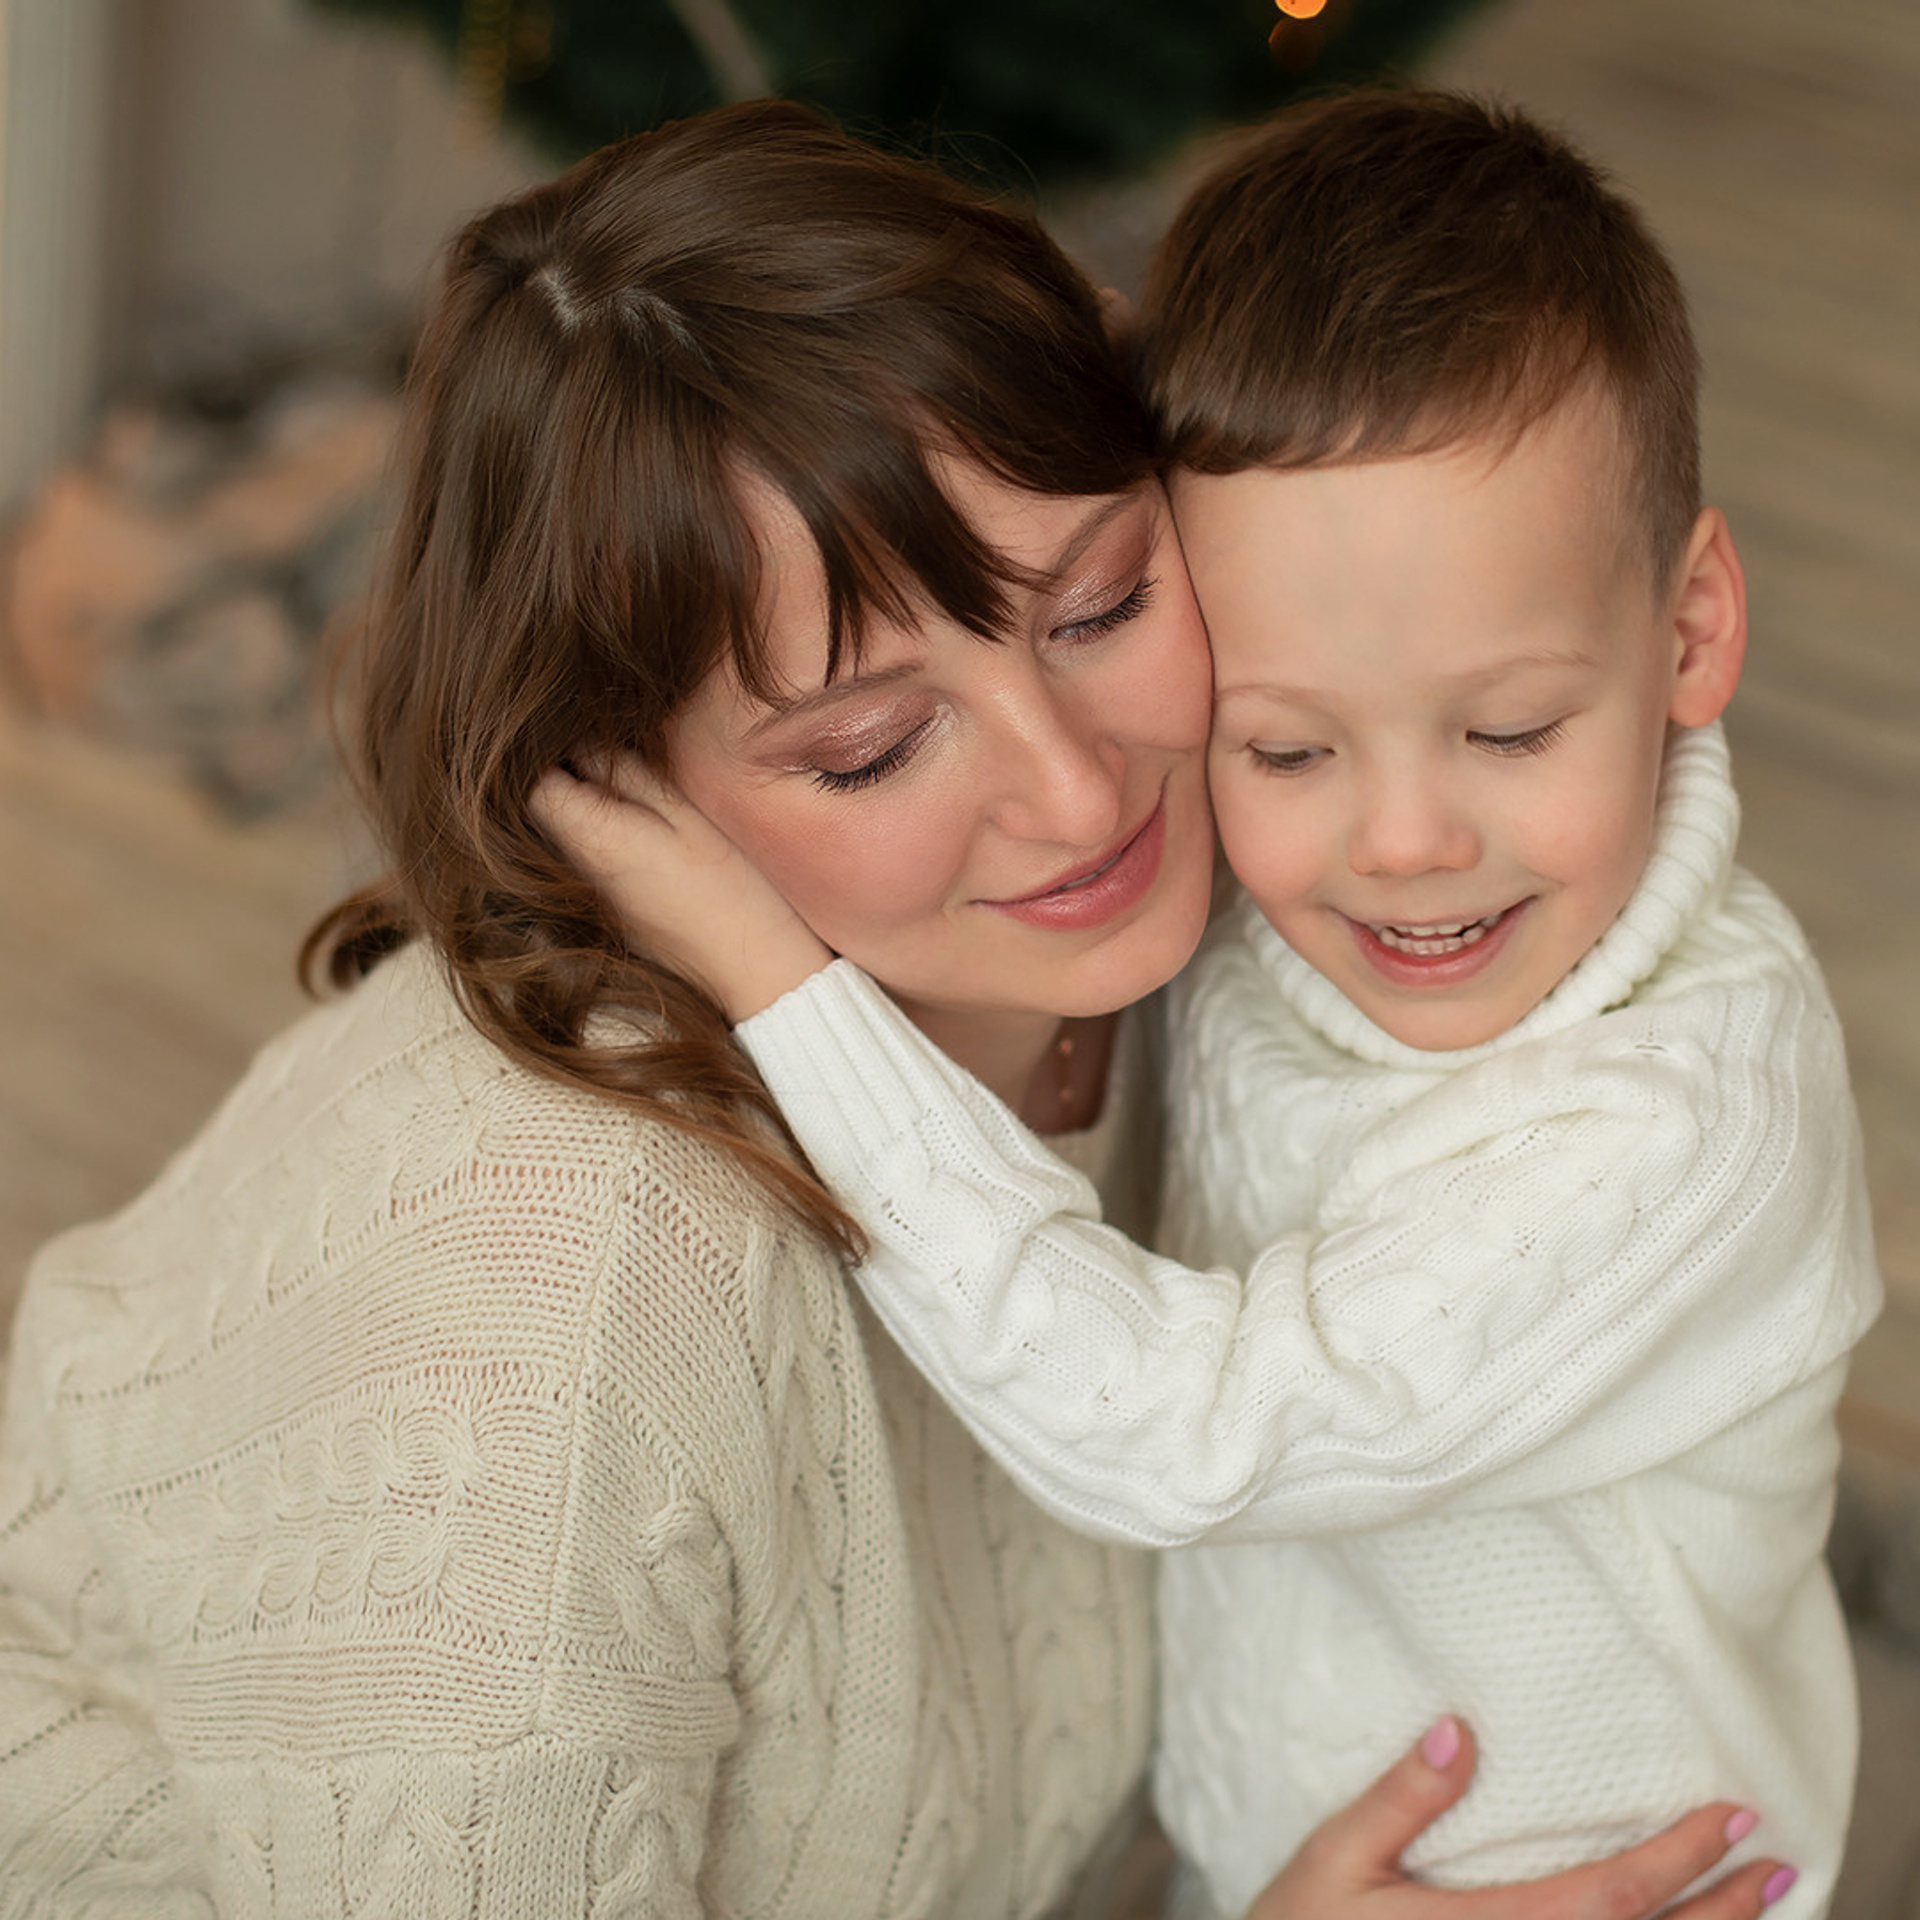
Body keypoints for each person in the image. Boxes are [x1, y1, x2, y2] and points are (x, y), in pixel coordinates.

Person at [0, 98, 1780, 1920]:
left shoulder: (1263, 919)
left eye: (1101, 606)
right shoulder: (558, 1319)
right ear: (624, 785)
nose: (1079, 797)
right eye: (867, 748)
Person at [534, 92, 1880, 1920]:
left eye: (1509, 729)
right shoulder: (1290, 879)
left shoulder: (1679, 1127)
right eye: (1286, 745)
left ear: (1694, 631)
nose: (1403, 845)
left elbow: (1182, 1433)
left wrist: (784, 985)